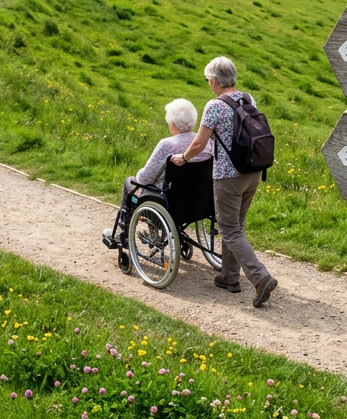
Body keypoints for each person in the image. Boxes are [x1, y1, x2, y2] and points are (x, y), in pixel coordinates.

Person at [171, 56, 278, 308]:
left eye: (209, 79)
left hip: (228, 177)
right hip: (252, 172)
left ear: (216, 80)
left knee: (230, 230)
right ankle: (229, 277)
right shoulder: (248, 98)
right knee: (237, 226)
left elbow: (199, 143)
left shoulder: (214, 106)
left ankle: (261, 278)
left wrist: (183, 159)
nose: (209, 84)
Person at [103, 98, 212, 250]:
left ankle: (123, 234)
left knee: (131, 182)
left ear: (172, 124)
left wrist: (139, 173)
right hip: (199, 203)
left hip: (168, 203)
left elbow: (144, 178)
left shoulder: (167, 145)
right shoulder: (206, 142)